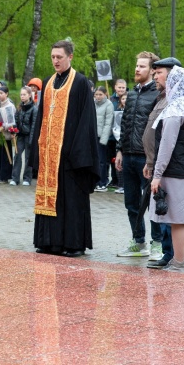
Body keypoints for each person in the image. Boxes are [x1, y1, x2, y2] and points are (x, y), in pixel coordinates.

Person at [28, 40, 99, 257]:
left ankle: (73, 243)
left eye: (59, 57)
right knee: (49, 196)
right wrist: (37, 149)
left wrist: (76, 152)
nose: (55, 61)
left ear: (70, 57)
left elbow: (87, 120)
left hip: (70, 155)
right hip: (49, 153)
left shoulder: (80, 83)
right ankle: (48, 241)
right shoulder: (48, 82)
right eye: (53, 57)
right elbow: (40, 118)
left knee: (71, 199)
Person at [149, 66, 184, 273]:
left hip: (174, 172)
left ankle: (178, 262)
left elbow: (167, 145)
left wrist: (157, 175)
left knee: (177, 221)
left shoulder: (175, 109)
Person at [115, 51, 163, 258]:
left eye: (142, 66)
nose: (137, 69)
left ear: (152, 71)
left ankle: (157, 244)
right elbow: (125, 125)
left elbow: (158, 129)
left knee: (152, 202)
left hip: (147, 158)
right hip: (128, 155)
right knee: (131, 202)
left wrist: (153, 160)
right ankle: (138, 241)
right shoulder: (132, 94)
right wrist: (119, 150)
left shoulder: (158, 94)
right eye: (136, 65)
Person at [143, 57, 181, 269]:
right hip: (155, 163)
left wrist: (156, 166)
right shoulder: (161, 98)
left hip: (167, 167)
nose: (155, 76)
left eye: (159, 73)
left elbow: (168, 140)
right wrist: (149, 161)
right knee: (160, 212)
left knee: (167, 213)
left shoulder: (174, 101)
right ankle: (168, 253)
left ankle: (170, 254)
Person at [12, 86, 37, 186]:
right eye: (21, 94)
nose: (22, 96)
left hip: (29, 136)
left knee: (28, 158)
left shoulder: (34, 109)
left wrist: (31, 140)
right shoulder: (19, 108)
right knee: (17, 155)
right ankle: (15, 178)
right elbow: (16, 120)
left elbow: (34, 125)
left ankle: (27, 178)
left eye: (24, 94)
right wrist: (14, 129)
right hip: (20, 136)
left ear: (29, 95)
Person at [94, 86, 114, 191]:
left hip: (102, 137)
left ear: (105, 94)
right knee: (94, 160)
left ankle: (103, 181)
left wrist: (103, 139)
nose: (98, 97)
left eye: (100, 94)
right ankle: (95, 181)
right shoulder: (93, 104)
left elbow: (108, 123)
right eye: (96, 94)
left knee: (102, 161)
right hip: (93, 136)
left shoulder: (109, 105)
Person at [108, 79, 127, 188]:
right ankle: (114, 179)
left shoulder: (129, 98)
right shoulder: (111, 100)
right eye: (119, 87)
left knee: (121, 159)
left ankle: (121, 181)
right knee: (112, 158)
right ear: (115, 87)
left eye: (123, 87)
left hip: (122, 135)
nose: (121, 89)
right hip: (112, 134)